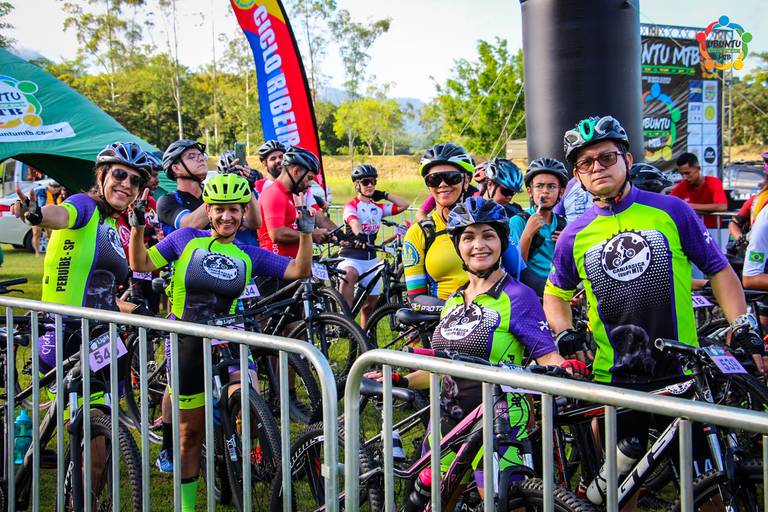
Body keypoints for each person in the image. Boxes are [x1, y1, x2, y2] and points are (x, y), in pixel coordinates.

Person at [543, 115, 764, 506]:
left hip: (680, 372)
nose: (597, 167)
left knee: (706, 486)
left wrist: (743, 323)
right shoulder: (574, 234)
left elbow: (719, 270)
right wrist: (564, 333)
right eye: (585, 162)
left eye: (607, 157)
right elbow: (555, 293)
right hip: (615, 378)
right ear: (577, 174)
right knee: (620, 491)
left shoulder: (671, 210)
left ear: (627, 159)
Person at [372, 197, 582, 498]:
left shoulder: (518, 296)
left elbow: (546, 356)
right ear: (458, 246)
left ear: (502, 243)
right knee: (433, 500)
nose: (478, 245)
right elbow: (442, 369)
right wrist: (402, 380)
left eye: (488, 236)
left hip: (501, 426)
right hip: (447, 424)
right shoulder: (454, 300)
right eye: (468, 237)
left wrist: (566, 367)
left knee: (502, 502)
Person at [129, 173, 313, 512]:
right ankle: (186, 507)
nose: (226, 217)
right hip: (186, 339)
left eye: (234, 210)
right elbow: (140, 263)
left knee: (247, 400)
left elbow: (298, 270)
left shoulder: (249, 254)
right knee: (189, 435)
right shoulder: (185, 239)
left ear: (243, 213)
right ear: (209, 210)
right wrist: (138, 227)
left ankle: (245, 456)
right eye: (219, 210)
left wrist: (305, 231)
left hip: (228, 337)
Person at [404, 143, 525, 309]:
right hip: (444, 317)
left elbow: (520, 274)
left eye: (452, 177)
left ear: (466, 181)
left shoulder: (493, 223)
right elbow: (416, 296)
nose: (442, 184)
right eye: (434, 179)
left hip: (497, 313)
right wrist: (459, 310)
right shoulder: (419, 233)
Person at [339, 164, 409, 327]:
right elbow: (353, 222)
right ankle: (344, 321)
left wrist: (384, 194)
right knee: (349, 275)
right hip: (351, 257)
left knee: (369, 307)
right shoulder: (351, 205)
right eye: (366, 182)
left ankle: (365, 336)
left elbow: (404, 205)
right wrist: (360, 235)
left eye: (373, 182)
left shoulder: (377, 208)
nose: (370, 185)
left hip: (371, 260)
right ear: (357, 185)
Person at [257, 146, 333, 293]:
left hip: (291, 268)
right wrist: (312, 235)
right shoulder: (274, 194)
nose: (309, 184)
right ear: (296, 171)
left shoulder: (291, 195)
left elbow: (316, 217)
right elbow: (277, 233)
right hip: (276, 271)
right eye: (309, 178)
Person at [157, 139, 261, 235]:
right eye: (192, 156)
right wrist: (223, 185)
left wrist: (249, 186)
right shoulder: (167, 201)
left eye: (201, 155)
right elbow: (191, 225)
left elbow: (254, 223)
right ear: (176, 168)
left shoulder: (211, 192)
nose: (201, 159)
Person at [509, 157, 568, 296]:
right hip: (531, 294)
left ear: (561, 192)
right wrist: (528, 234)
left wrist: (567, 245)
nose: (545, 191)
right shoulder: (518, 222)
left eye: (551, 186)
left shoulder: (563, 224)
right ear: (530, 191)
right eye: (539, 186)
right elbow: (515, 269)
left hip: (560, 291)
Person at [669, 152, 727, 248]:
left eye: (687, 173)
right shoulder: (683, 185)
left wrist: (688, 206)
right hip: (691, 236)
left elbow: (722, 206)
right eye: (682, 174)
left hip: (712, 236)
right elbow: (669, 202)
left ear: (698, 169)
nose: (684, 177)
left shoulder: (713, 182)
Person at [31, 180, 65, 257]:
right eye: (56, 189)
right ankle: (37, 253)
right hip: (37, 215)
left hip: (49, 216)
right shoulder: (40, 192)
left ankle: (50, 251)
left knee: (51, 235)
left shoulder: (58, 194)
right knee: (36, 234)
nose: (57, 191)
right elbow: (34, 203)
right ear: (51, 187)